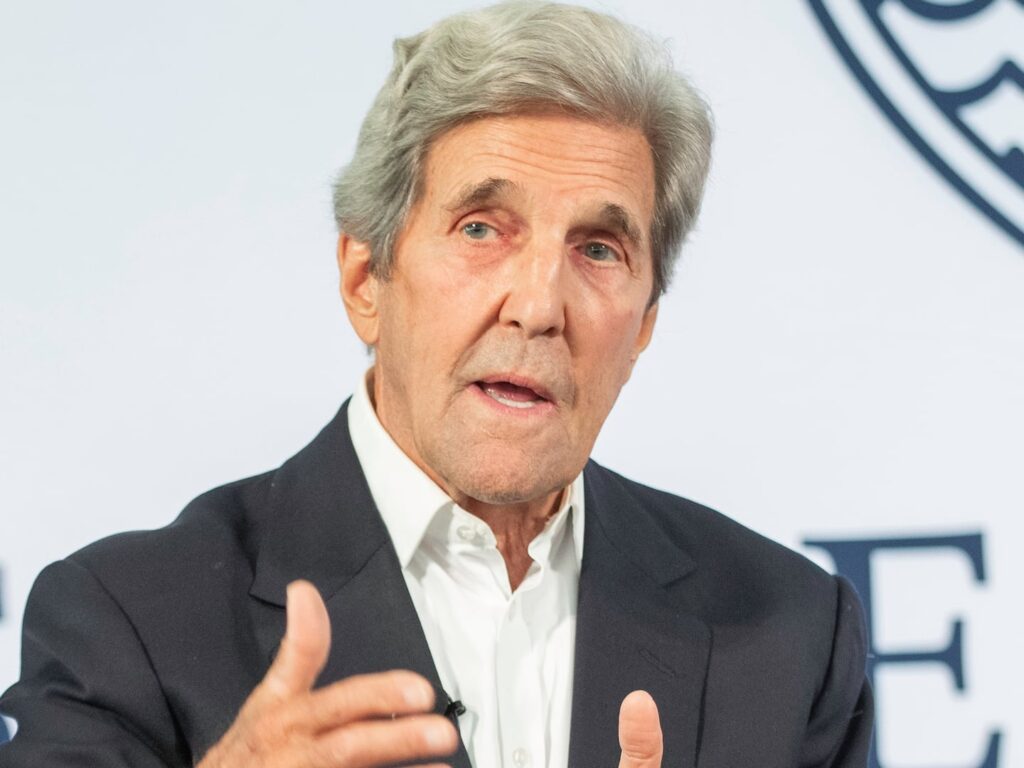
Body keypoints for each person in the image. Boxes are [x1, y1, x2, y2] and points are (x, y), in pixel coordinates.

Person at [0, 2, 873, 766]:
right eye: (482, 228)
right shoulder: (130, 623)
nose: (539, 306)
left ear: (644, 324)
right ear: (365, 278)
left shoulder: (789, 633)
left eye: (599, 249)